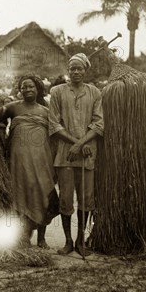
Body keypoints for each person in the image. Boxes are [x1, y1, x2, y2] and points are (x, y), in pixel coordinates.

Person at [0, 74, 59, 248]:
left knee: (43, 192)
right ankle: (23, 237)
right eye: (24, 87)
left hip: (42, 159)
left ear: (38, 89)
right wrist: (0, 133)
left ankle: (41, 238)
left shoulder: (46, 111)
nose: (27, 89)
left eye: (31, 86)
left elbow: (56, 134)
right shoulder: (13, 108)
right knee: (21, 195)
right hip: (18, 160)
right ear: (19, 90)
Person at [49, 53, 104, 257]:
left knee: (86, 198)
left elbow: (99, 123)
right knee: (65, 199)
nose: (75, 72)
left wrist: (82, 143)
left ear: (85, 70)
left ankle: (81, 240)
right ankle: (68, 241)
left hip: (88, 154)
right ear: (67, 70)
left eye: (79, 68)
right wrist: (75, 144)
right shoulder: (57, 92)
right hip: (65, 155)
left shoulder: (94, 92)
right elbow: (54, 124)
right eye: (72, 68)